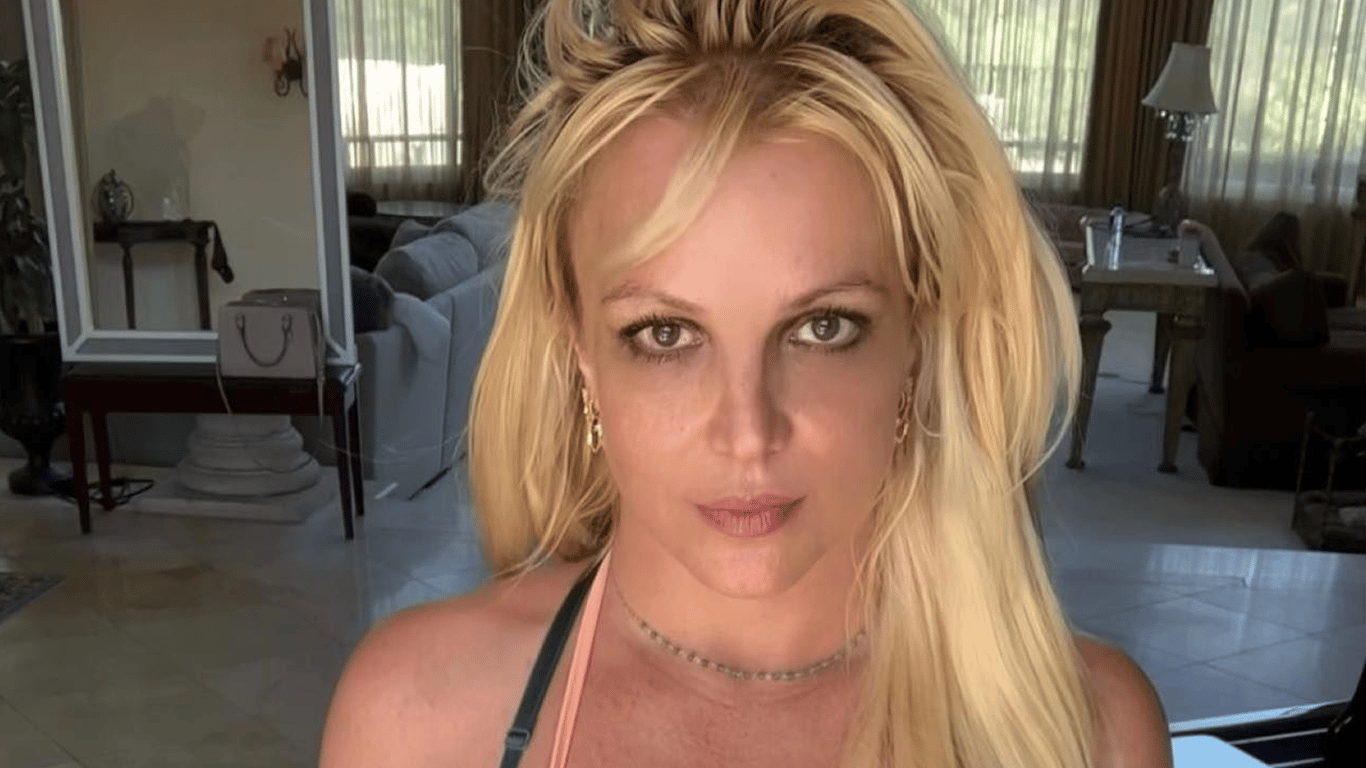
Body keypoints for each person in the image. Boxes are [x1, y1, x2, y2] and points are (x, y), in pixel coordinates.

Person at [319, 1, 1172, 766]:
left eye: (823, 327)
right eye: (665, 334)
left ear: (916, 337)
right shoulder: (416, 719)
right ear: (581, 350)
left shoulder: (1092, 735)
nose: (748, 433)